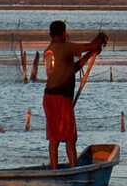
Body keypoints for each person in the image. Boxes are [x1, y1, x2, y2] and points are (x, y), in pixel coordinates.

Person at [40, 19, 108, 168]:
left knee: (54, 137)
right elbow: (94, 44)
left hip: (49, 97)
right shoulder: (63, 47)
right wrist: (101, 36)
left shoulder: (49, 50)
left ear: (50, 34)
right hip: (61, 98)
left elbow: (72, 69)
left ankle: (54, 170)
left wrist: (90, 55)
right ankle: (73, 170)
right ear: (64, 33)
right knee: (70, 137)